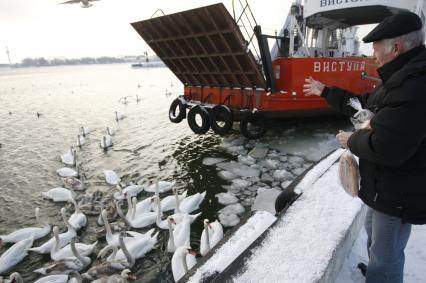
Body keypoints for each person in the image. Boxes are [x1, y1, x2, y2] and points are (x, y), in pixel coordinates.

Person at [303, 11, 426, 283]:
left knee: (386, 255)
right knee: (375, 239)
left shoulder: (415, 85)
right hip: (385, 187)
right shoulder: (399, 77)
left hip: (399, 193)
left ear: (396, 47)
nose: (372, 54)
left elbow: (388, 148)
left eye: (376, 46)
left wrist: (351, 140)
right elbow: (364, 106)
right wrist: (326, 92)